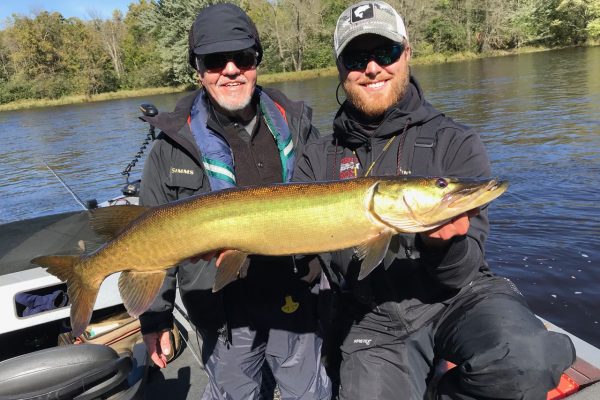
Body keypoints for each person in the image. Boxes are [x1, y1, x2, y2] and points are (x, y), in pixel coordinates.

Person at [293, 1, 576, 399]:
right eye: (357, 58)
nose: (372, 67)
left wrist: (444, 245)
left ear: (407, 53)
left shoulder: (454, 141)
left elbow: (459, 274)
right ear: (341, 69)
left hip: (461, 298)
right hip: (373, 315)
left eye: (385, 52)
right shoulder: (316, 158)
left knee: (526, 361)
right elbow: (302, 262)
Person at [137, 4, 331, 399]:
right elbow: (149, 240)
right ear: (198, 69)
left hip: (293, 296)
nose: (230, 70)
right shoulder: (169, 150)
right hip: (221, 312)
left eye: (242, 58)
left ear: (256, 61)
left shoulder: (299, 125)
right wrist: (155, 318)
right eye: (214, 61)